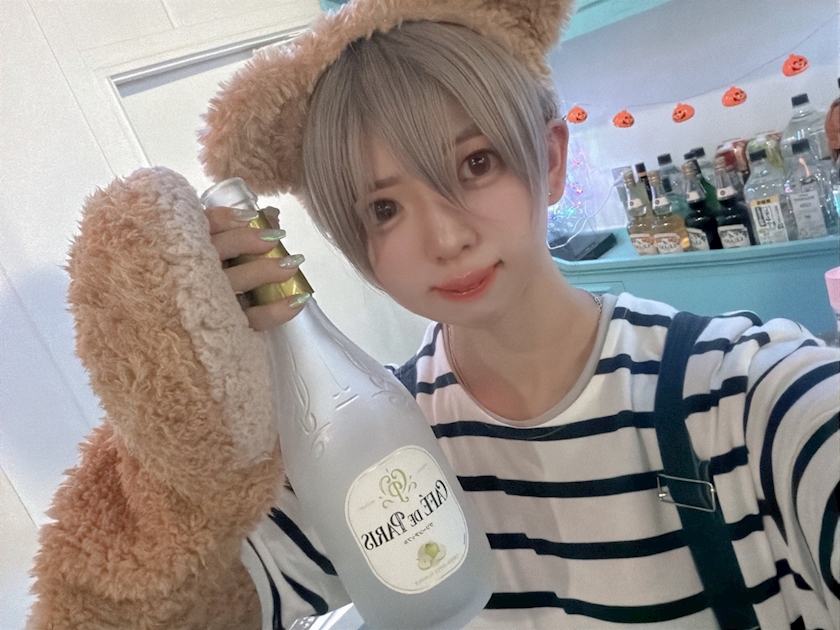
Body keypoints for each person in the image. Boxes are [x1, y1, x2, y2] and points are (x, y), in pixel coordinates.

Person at [197, 1, 840, 628]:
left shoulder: (744, 395)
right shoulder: (371, 446)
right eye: (383, 209)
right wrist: (202, 379)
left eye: (475, 164)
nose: (447, 238)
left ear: (551, 160)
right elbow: (195, 600)